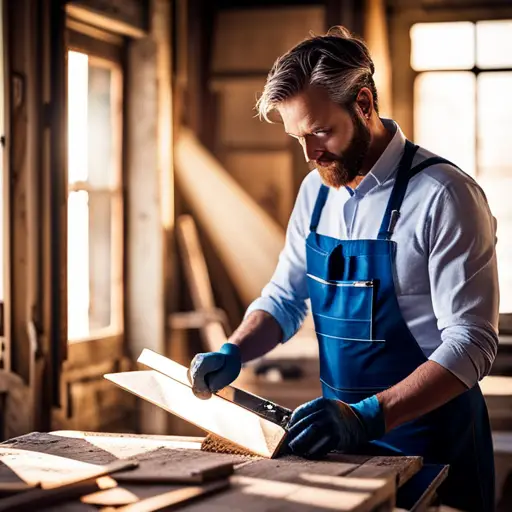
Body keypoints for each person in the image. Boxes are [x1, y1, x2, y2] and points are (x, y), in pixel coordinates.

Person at [187, 26, 499, 512]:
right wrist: (235, 348)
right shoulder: (316, 193)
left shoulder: (445, 195)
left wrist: (370, 415)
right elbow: (286, 297)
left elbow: (473, 343)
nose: (310, 155)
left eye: (320, 131)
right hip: (342, 448)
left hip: (436, 445)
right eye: (297, 138)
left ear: (364, 103)